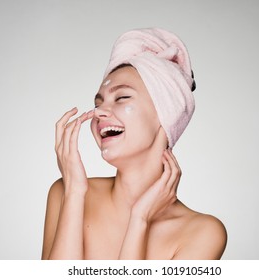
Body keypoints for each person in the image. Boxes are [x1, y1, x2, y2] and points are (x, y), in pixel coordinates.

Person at [41, 28, 227, 260]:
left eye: (122, 98)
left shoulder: (202, 233)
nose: (100, 112)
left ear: (166, 114)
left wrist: (140, 220)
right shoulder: (66, 192)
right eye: (98, 103)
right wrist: (75, 193)